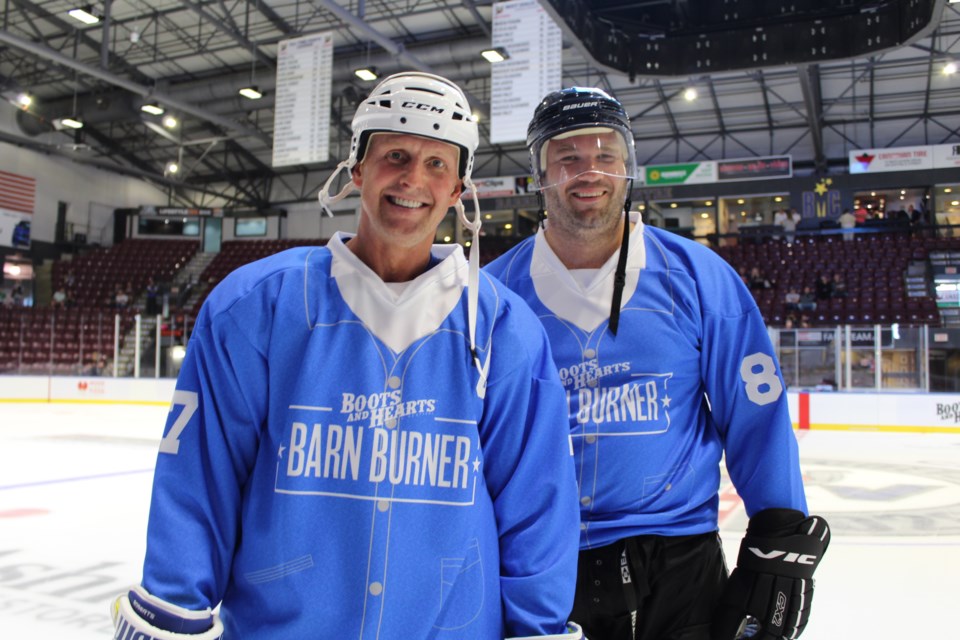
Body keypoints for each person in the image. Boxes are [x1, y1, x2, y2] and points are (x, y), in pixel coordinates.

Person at [112, 72, 583, 640]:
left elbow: (538, 506)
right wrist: (173, 613)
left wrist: (537, 628)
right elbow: (198, 483)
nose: (413, 179)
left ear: (460, 189)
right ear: (357, 169)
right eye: (397, 155)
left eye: (438, 164)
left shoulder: (506, 329)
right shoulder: (256, 306)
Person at [485, 87, 829, 640]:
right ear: (540, 173)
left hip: (680, 565)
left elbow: (755, 413)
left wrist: (778, 533)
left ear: (628, 167)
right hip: (537, 559)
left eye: (605, 155)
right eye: (567, 157)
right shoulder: (492, 294)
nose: (588, 171)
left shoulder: (699, 276)